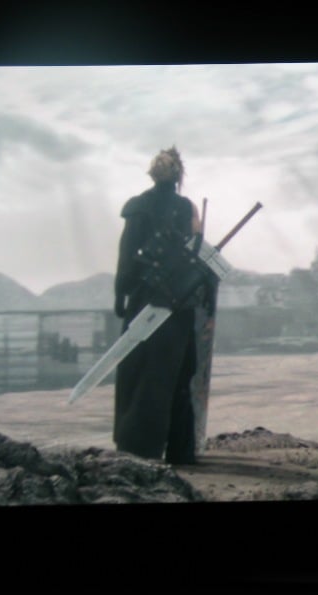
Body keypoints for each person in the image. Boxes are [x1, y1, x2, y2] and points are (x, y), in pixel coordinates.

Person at [113, 146, 215, 464]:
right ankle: (180, 451)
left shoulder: (138, 206)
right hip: (178, 305)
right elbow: (198, 255)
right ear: (178, 175)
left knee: (140, 374)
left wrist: (120, 293)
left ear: (152, 174)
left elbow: (127, 254)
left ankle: (139, 451)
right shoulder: (186, 209)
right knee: (179, 375)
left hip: (145, 302)